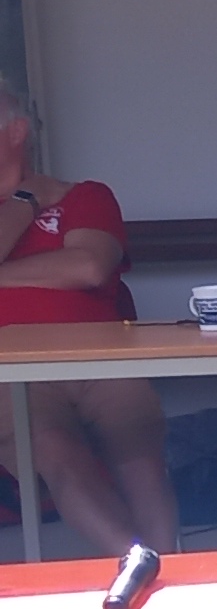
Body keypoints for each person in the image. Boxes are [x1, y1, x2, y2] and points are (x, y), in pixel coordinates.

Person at [0, 88, 178, 556]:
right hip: (12, 369)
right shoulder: (34, 200)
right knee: (59, 457)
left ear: (15, 132)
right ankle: (141, 565)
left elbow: (90, 266)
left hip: (99, 355)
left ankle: (172, 579)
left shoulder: (85, 196)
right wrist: (25, 202)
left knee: (141, 463)